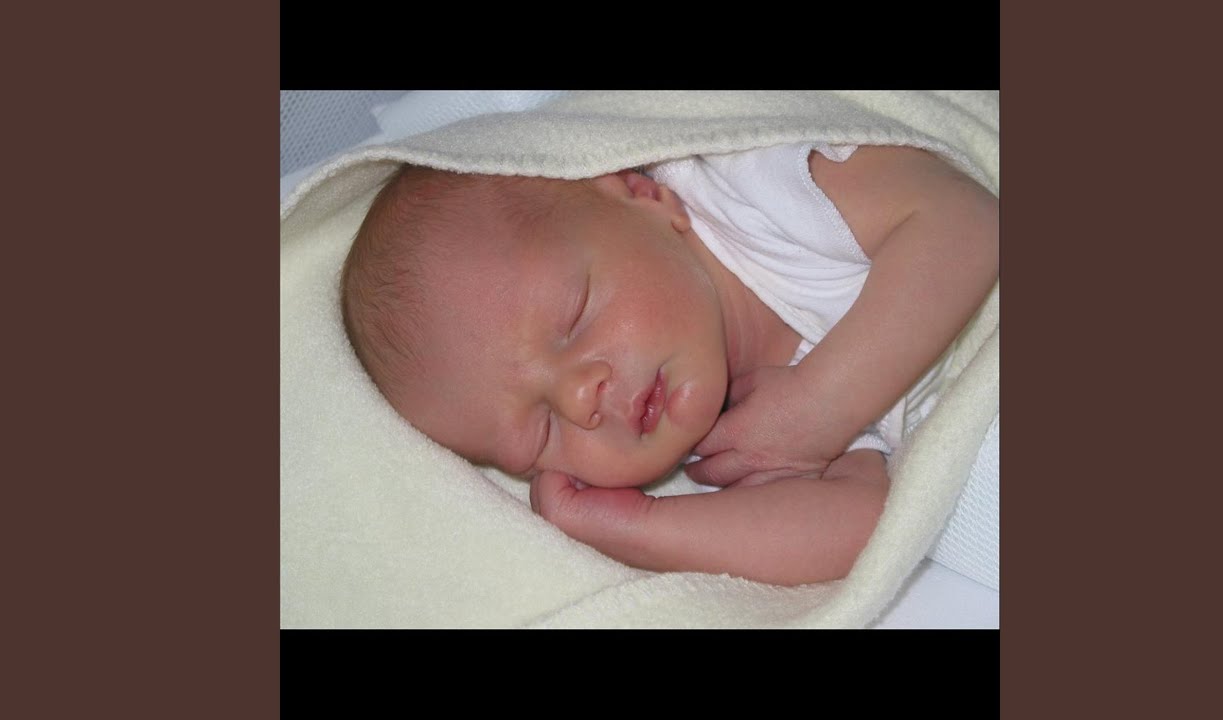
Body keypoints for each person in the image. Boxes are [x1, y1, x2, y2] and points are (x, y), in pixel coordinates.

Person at [340, 141, 998, 586]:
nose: (580, 399)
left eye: (574, 315)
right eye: (539, 434)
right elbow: (864, 526)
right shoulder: (743, 433)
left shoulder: (762, 183)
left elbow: (967, 223)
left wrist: (822, 406)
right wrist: (645, 529)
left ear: (642, 196)